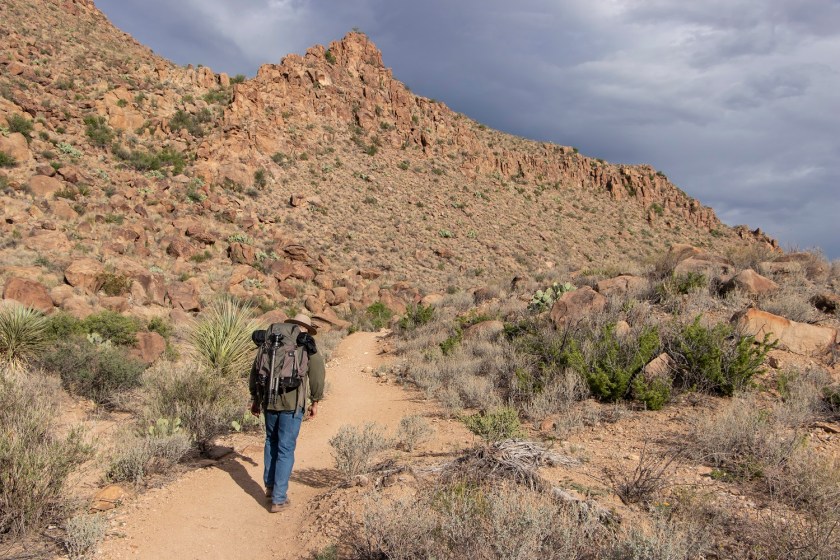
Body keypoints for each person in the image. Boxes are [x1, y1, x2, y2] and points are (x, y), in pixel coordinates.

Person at [249, 313, 325, 513]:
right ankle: (279, 499)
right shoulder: (306, 344)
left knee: (271, 441)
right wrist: (315, 401)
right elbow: (317, 374)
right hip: (292, 404)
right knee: (285, 448)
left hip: (268, 401)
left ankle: (270, 487)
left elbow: (255, 371)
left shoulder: (271, 341)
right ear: (305, 328)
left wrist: (255, 398)